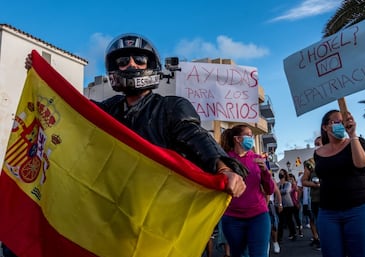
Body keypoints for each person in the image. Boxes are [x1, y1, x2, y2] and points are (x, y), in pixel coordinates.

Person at [25, 33, 247, 197]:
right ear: (114, 69)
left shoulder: (172, 107)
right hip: (114, 203)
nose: (131, 64)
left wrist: (225, 169)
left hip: (160, 203)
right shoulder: (108, 109)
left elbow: (197, 136)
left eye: (139, 60)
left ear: (151, 66)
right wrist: (43, 77)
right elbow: (75, 109)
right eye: (122, 61)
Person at [314, 109, 365, 257]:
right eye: (336, 121)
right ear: (326, 127)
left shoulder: (357, 142)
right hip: (328, 213)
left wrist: (353, 135)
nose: (341, 124)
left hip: (360, 210)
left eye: (343, 121)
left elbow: (362, 165)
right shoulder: (318, 153)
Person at [219, 124, 275, 257]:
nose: (251, 139)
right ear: (237, 139)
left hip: (258, 217)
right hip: (232, 219)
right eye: (248, 135)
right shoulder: (224, 160)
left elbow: (269, 189)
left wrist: (265, 172)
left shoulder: (258, 159)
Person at [277, 169, 297, 242]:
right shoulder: (277, 184)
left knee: (289, 220)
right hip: (280, 204)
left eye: (281, 173)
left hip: (288, 204)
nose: (280, 175)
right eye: (279, 173)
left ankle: (293, 234)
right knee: (281, 221)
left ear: (285, 175)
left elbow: (286, 191)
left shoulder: (288, 184)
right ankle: (279, 237)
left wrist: (278, 191)